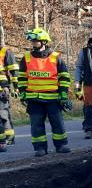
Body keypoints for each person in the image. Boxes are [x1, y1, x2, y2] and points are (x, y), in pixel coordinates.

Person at [17, 28, 71, 157]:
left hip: (53, 98)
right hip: (34, 98)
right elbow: (22, 78)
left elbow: (64, 77)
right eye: (32, 41)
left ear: (44, 42)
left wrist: (63, 95)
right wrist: (23, 93)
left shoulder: (56, 57)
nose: (33, 43)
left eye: (35, 41)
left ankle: (61, 145)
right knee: (36, 125)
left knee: (57, 123)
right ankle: (40, 148)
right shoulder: (26, 57)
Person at [0, 43, 19, 151]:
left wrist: (16, 87)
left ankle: (9, 137)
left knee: (3, 114)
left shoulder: (5, 51)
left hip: (2, 89)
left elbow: (14, 71)